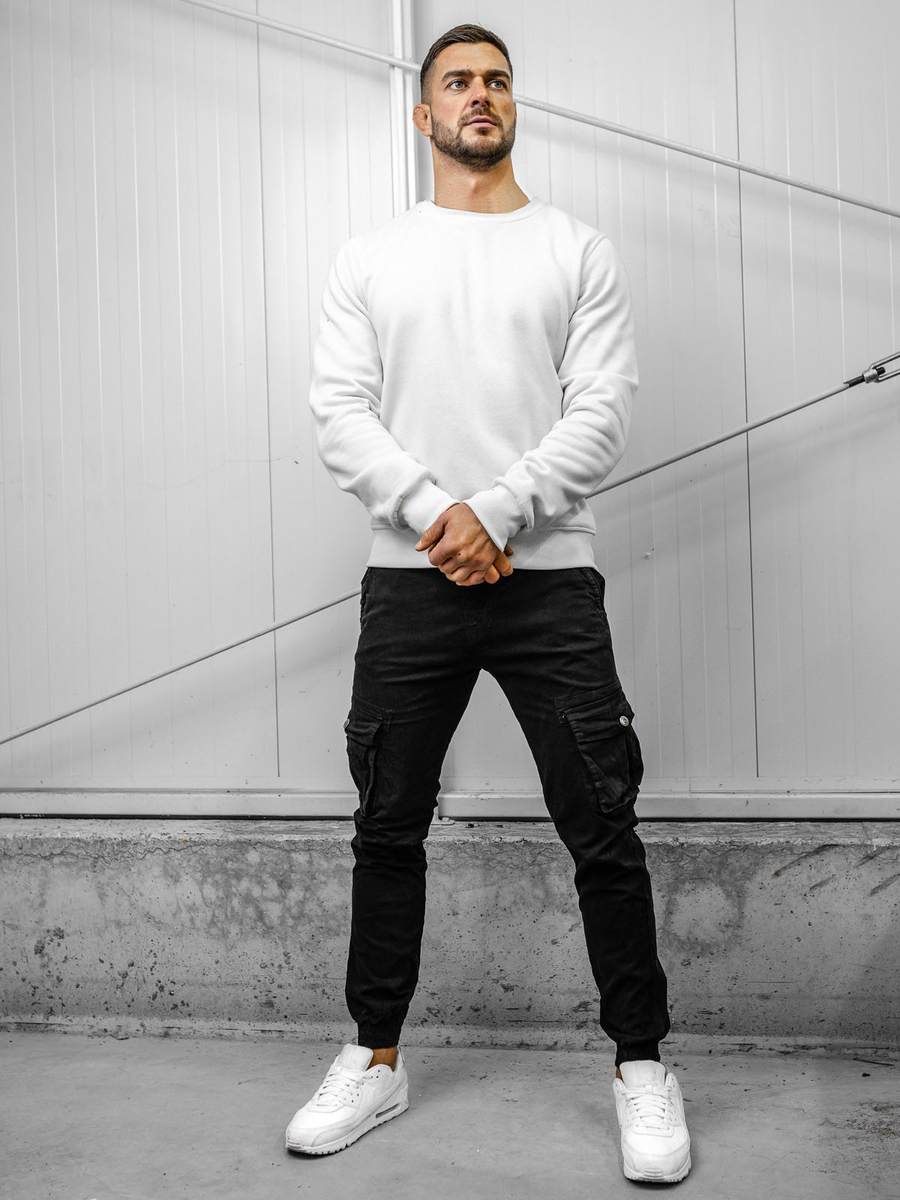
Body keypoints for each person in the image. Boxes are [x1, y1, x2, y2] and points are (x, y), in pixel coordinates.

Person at [285, 23, 691, 1185]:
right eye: (459, 82)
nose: (481, 95)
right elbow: (340, 411)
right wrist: (437, 515)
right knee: (387, 827)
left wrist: (499, 513)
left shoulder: (575, 250)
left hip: (548, 582)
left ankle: (642, 1066)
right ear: (425, 116)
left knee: (602, 826)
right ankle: (375, 1058)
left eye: (498, 81)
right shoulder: (372, 259)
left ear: (515, 106)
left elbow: (601, 410)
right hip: (410, 581)